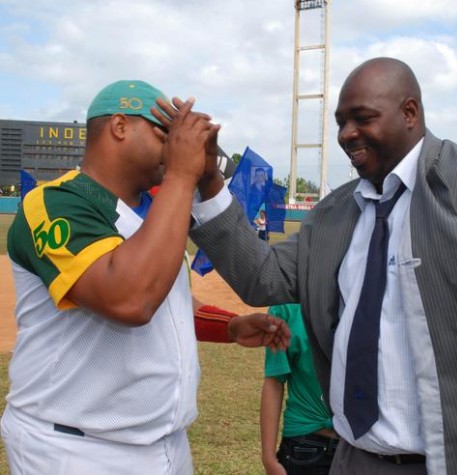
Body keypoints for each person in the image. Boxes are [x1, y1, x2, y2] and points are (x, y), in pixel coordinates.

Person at [170, 57, 457, 474]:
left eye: (363, 118)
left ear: (410, 112)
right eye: (341, 121)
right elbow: (264, 277)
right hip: (350, 459)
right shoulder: (333, 214)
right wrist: (208, 182)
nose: (347, 134)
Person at [0, 80, 290, 475]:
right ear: (119, 126)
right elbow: (130, 299)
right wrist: (182, 174)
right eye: (165, 133)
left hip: (166, 444)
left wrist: (232, 326)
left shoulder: (157, 207)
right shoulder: (55, 202)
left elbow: (170, 301)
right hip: (74, 449)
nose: (177, 143)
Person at [260, 304, 338, 475]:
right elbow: (274, 381)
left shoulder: (286, 302)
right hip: (306, 444)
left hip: (358, 448)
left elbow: (274, 381)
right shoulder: (285, 307)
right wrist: (268, 458)